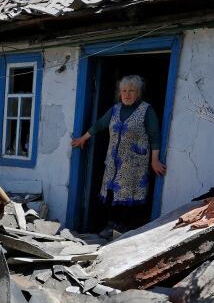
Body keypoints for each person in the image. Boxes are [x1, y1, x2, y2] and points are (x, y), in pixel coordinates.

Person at [71, 75, 166, 232]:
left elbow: (155, 136)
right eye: (124, 91)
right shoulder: (115, 109)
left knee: (130, 194)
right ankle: (111, 225)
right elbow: (99, 125)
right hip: (113, 162)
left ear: (138, 93)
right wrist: (83, 138)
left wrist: (154, 160)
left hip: (135, 164)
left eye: (131, 91)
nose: (127, 94)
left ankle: (125, 228)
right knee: (111, 192)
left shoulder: (146, 110)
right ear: (120, 93)